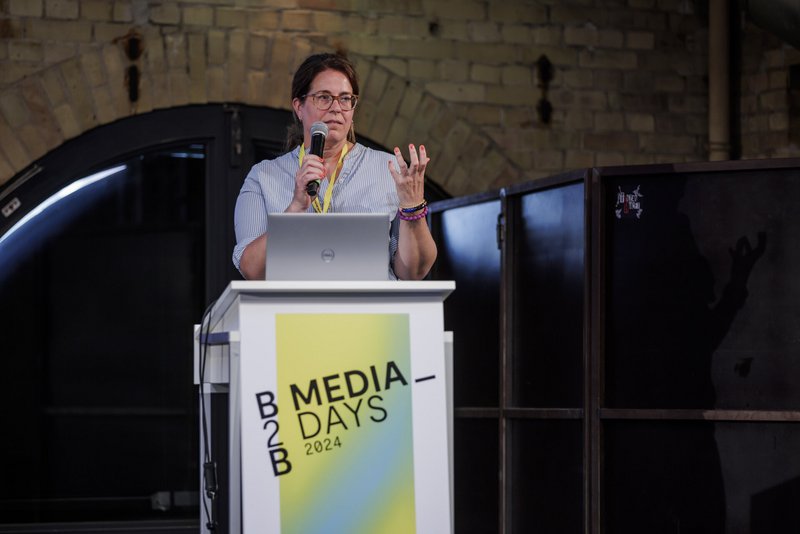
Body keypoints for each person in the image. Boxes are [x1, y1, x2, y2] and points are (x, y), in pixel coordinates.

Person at [233, 53, 437, 280]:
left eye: (345, 98)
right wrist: (295, 209)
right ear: (299, 107)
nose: (336, 108)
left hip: (373, 313)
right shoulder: (263, 177)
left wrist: (413, 207)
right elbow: (252, 269)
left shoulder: (388, 170)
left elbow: (413, 272)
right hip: (294, 314)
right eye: (323, 97)